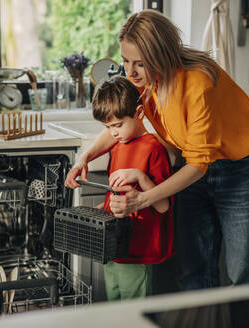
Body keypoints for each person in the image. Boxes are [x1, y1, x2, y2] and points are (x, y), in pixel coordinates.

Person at [65, 9, 249, 292]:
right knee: (193, 271)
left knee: (246, 273)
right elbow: (120, 122)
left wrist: (142, 200)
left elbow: (199, 165)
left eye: (140, 63)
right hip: (190, 170)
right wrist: (84, 157)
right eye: (126, 61)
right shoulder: (143, 82)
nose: (130, 71)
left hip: (239, 170)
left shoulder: (197, 84)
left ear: (162, 57)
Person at [90, 76, 174, 300]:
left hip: (137, 250)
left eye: (117, 125)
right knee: (115, 308)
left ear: (139, 113)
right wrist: (101, 209)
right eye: (107, 127)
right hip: (112, 248)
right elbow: (117, 194)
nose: (113, 132)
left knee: (134, 311)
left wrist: (141, 177)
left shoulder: (153, 148)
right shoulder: (118, 145)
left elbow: (164, 205)